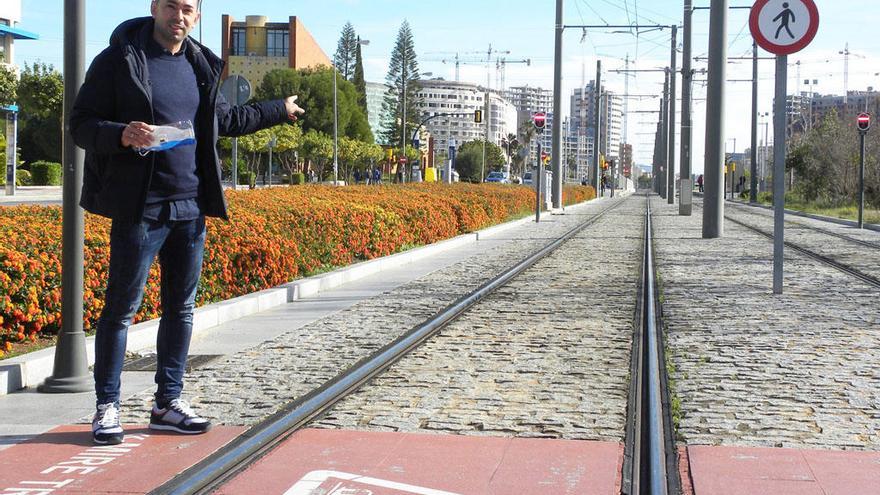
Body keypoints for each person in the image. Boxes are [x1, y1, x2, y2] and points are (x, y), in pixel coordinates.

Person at [70, 0, 304, 445]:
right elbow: (80, 125)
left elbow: (227, 120)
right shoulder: (119, 59)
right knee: (121, 310)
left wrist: (278, 109)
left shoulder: (199, 65)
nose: (180, 16)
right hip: (141, 209)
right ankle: (107, 407)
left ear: (196, 16)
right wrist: (120, 133)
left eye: (189, 10)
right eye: (172, 7)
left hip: (190, 207)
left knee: (180, 309)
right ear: (155, 8)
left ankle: (167, 403)